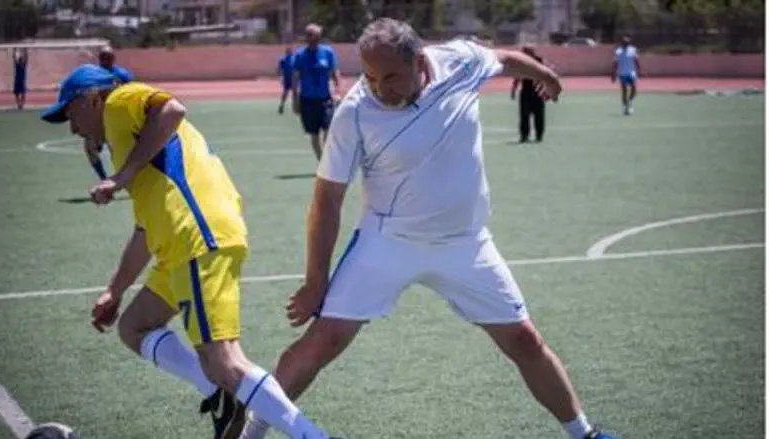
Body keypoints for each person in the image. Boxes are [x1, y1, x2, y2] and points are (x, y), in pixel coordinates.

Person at [242, 18, 618, 439]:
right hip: (387, 243)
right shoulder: (355, 111)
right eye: (369, 76)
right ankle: (250, 432)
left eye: (391, 77)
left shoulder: (460, 62)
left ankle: (584, 433)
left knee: (525, 340)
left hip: (465, 244)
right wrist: (315, 281)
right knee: (323, 340)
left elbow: (505, 60)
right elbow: (327, 198)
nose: (380, 89)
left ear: (420, 61)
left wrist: (545, 75)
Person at [40, 64, 343, 439]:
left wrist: (121, 176)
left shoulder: (118, 100)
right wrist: (115, 290)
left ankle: (313, 435)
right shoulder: (129, 140)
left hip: (196, 237)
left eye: (71, 113)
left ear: (91, 98)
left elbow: (172, 108)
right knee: (135, 327)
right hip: (181, 241)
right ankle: (218, 391)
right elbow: (145, 229)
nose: (72, 128)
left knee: (225, 360)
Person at [292, 23, 341, 161]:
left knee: (329, 129)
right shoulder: (300, 55)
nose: (315, 38)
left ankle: (328, 159)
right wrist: (295, 100)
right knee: (314, 134)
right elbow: (295, 78)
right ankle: (322, 162)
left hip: (325, 99)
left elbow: (334, 72)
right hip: (307, 100)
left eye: (317, 35)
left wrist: (337, 90)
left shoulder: (328, 52)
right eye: (311, 35)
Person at [84, 47, 134, 181]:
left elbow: (132, 94)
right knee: (90, 148)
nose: (105, 61)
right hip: (97, 119)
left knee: (117, 151)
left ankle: (124, 178)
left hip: (115, 117)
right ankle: (104, 179)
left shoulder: (122, 75)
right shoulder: (91, 75)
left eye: (108, 58)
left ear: (113, 59)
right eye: (103, 58)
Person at [511, 45, 548, 143]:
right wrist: (514, 89)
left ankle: (539, 135)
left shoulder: (539, 60)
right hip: (526, 91)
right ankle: (524, 135)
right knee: (524, 115)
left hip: (538, 91)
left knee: (539, 115)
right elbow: (517, 76)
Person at [611, 36, 641, 115]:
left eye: (627, 43)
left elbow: (636, 60)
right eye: (624, 42)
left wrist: (639, 70)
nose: (626, 44)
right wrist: (613, 74)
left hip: (632, 73)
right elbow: (615, 63)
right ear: (622, 43)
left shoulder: (633, 50)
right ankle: (626, 107)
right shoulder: (618, 51)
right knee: (624, 91)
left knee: (634, 89)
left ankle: (629, 101)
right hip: (622, 74)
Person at [277, 47, 296, 114]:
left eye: (290, 51)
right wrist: (280, 77)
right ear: (286, 52)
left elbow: (298, 68)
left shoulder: (294, 58)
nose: (290, 52)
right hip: (286, 78)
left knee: (295, 93)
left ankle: (295, 107)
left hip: (293, 78)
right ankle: (282, 105)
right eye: (288, 51)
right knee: (285, 92)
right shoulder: (283, 59)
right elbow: (279, 68)